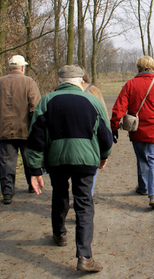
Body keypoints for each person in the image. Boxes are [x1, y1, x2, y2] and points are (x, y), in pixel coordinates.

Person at [27, 65, 113, 273]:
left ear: (59, 81)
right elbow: (105, 135)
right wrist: (104, 156)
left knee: (59, 193)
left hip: (56, 159)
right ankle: (85, 256)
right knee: (84, 203)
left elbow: (36, 138)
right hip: (85, 160)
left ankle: (59, 234)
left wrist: (35, 169)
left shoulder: (46, 101)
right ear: (81, 82)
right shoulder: (92, 101)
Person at [110, 55, 154, 210]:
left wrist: (114, 126)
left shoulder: (130, 85)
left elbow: (118, 107)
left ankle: (143, 187)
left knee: (142, 159)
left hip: (137, 130)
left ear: (138, 68)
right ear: (153, 68)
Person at [0, 54, 41, 204]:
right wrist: (36, 128)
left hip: (5, 130)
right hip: (26, 129)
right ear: (22, 68)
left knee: (6, 161)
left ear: (9, 68)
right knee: (29, 158)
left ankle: (7, 192)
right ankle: (31, 185)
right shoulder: (29, 82)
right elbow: (36, 108)